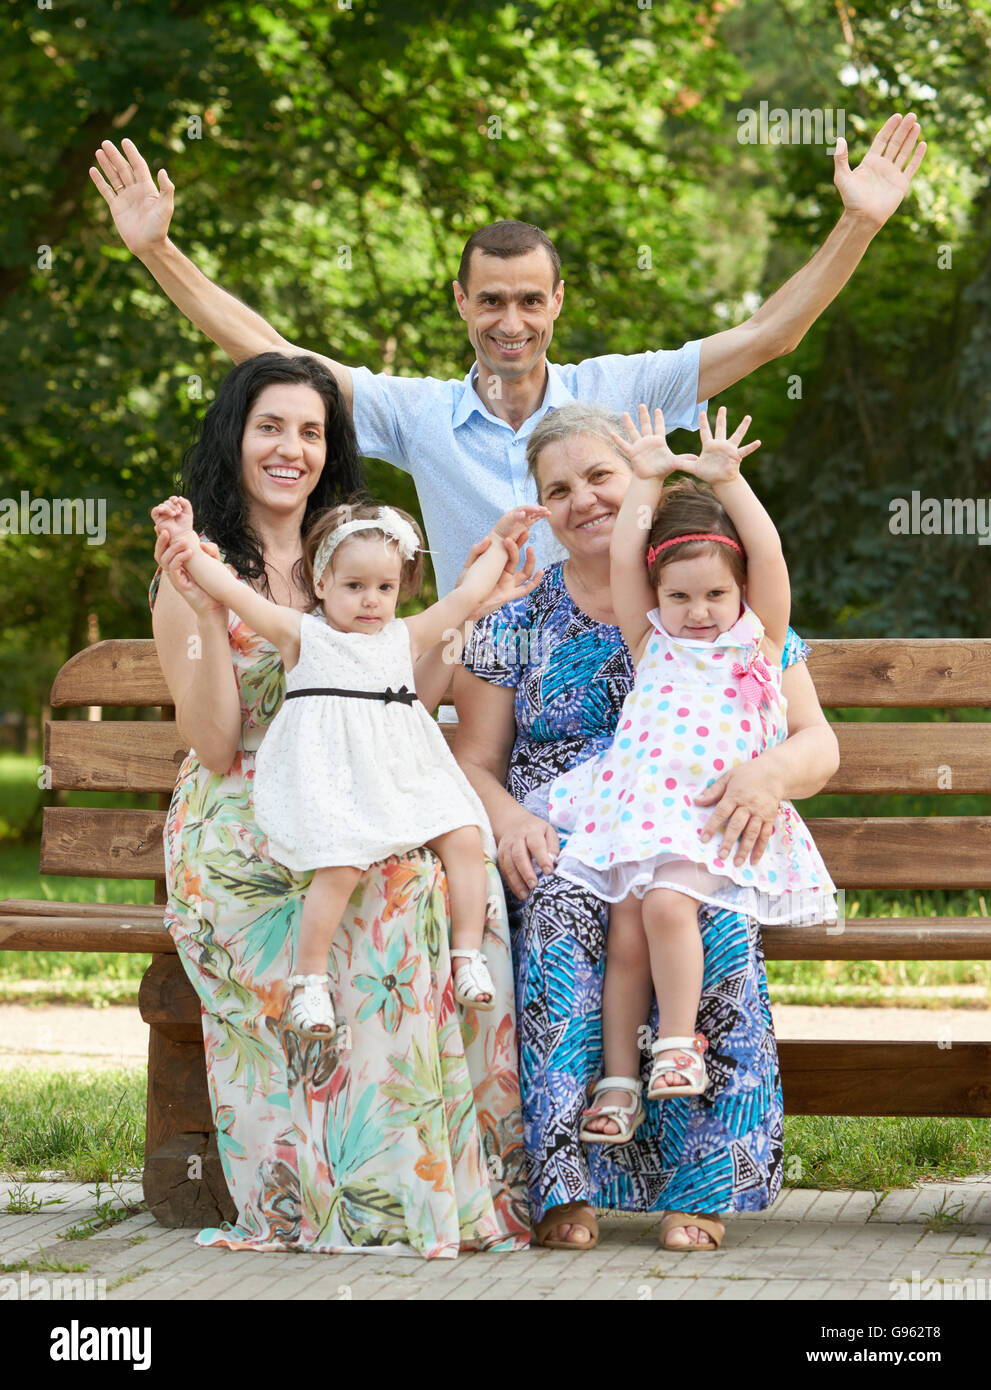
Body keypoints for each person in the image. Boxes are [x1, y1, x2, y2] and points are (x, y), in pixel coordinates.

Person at [90, 116, 926, 594]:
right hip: (477, 686)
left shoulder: (621, 390)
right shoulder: (418, 415)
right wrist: (159, 251)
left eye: (531, 299)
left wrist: (858, 223)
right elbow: (272, 356)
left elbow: (768, 337)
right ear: (461, 303)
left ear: (557, 302)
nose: (511, 321)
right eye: (490, 300)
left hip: (612, 672)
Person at [149, 351, 534, 1257]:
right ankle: (351, 1201)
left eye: (312, 432)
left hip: (365, 796)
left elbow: (407, 690)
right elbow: (211, 744)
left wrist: (466, 605)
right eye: (270, 427)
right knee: (386, 901)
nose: (292, 448)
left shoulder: (357, 552)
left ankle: (433, 1191)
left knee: (434, 895)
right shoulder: (198, 565)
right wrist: (207, 614)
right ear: (234, 437)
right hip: (243, 823)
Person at [454, 402, 840, 1251]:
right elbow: (471, 759)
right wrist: (511, 817)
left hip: (700, 826)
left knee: (717, 930)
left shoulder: (718, 602)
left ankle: (698, 1188)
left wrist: (768, 774)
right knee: (560, 922)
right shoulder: (520, 616)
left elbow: (817, 742)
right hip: (565, 835)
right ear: (542, 507)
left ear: (637, 482)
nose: (581, 499)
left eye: (600, 476)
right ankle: (565, 1184)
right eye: (557, 489)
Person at [526, 406, 836, 1146]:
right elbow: (632, 549)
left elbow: (766, 555)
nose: (697, 611)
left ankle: (674, 1046)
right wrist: (644, 478)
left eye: (714, 595)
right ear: (656, 596)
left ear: (740, 597)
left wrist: (729, 484)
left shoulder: (753, 645)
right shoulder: (651, 640)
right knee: (627, 931)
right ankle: (618, 1084)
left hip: (703, 823)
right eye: (679, 596)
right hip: (637, 814)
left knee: (665, 908)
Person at [150, 491, 548, 1033]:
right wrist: (183, 540)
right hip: (334, 782)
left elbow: (466, 599)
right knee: (340, 862)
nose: (371, 601)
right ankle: (309, 984)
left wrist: (503, 542)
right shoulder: (301, 636)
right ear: (321, 586)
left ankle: (467, 956)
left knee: (465, 837)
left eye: (385, 588)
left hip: (400, 777)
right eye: (354, 586)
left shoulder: (402, 636)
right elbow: (226, 591)